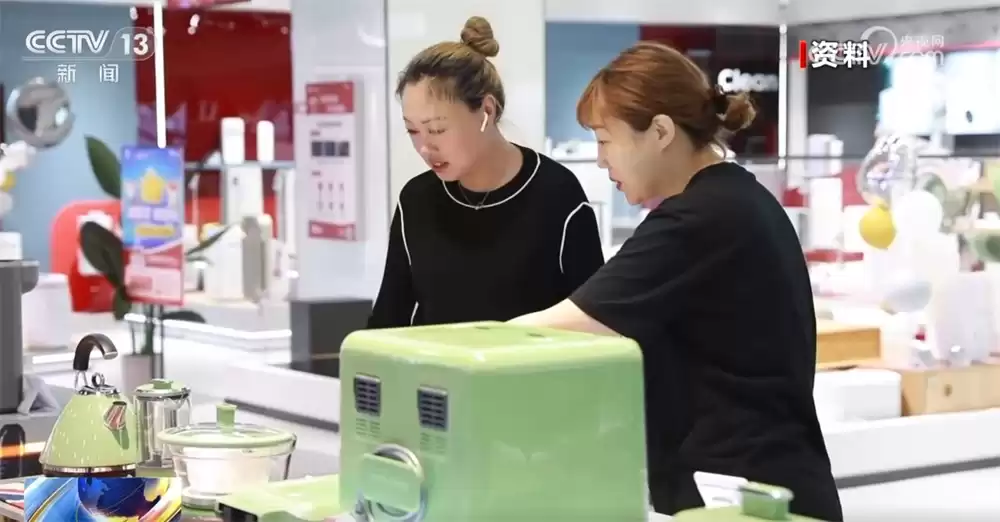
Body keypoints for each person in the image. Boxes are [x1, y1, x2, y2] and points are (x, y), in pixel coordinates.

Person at [511, 42, 843, 521]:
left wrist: (451, 353)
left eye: (605, 140)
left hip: (741, 496)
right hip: (767, 488)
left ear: (661, 131)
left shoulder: (699, 219)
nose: (601, 161)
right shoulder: (738, 200)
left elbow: (554, 330)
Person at [367, 16, 605, 328]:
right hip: (436, 376)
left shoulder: (557, 194)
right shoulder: (416, 200)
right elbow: (388, 319)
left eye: (437, 129)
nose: (425, 147)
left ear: (487, 112)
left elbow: (595, 320)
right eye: (413, 131)